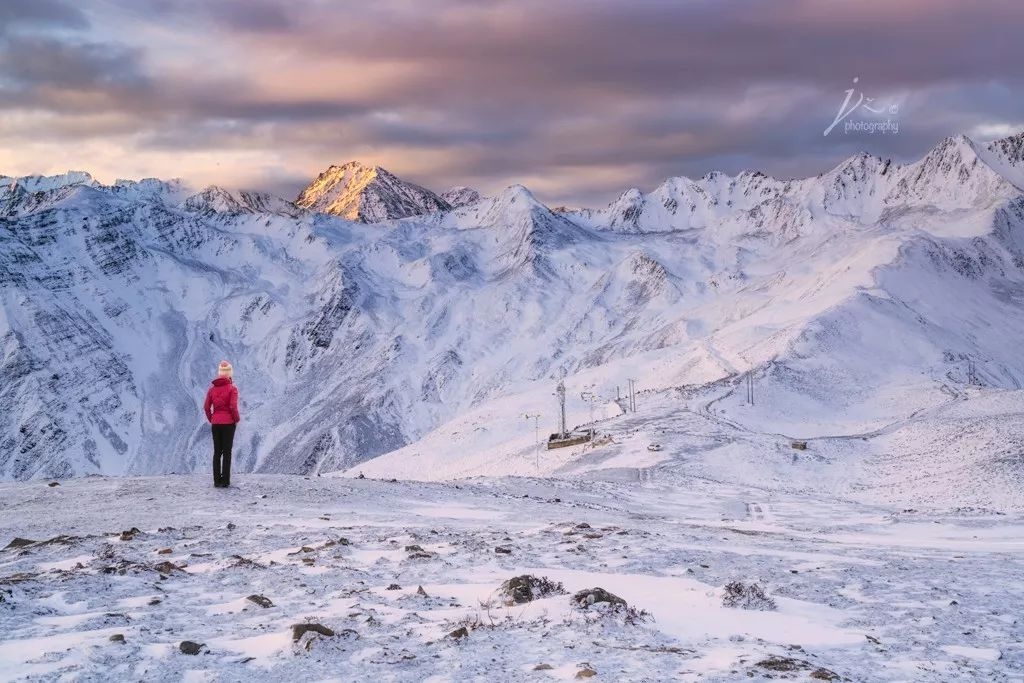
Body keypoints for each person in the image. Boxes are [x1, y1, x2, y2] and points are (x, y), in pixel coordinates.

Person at [203, 360, 240, 488]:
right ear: (230, 374)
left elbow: (206, 407)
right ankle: (225, 481)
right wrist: (236, 419)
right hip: (229, 423)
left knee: (217, 452)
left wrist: (212, 419)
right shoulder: (232, 389)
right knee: (227, 452)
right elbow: (233, 407)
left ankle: (216, 481)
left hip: (216, 423)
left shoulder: (211, 390)